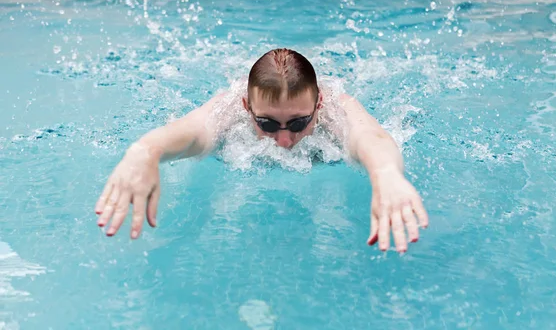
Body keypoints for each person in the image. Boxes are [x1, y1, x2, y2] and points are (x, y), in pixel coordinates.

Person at [94, 48, 428, 253]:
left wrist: (385, 174)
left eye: (299, 124)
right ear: (246, 106)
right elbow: (192, 132)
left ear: (318, 104)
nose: (283, 140)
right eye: (267, 125)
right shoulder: (229, 109)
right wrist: (145, 151)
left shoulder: (336, 109)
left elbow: (370, 137)